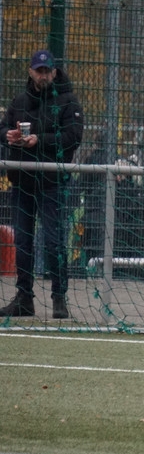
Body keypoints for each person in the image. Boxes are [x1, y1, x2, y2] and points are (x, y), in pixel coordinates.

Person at [0, 49, 84, 319]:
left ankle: (59, 298)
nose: (43, 75)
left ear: (54, 72)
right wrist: (10, 135)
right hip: (22, 182)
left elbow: (73, 137)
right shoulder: (19, 101)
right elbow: (2, 128)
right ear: (31, 72)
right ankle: (24, 297)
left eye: (47, 71)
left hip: (52, 183)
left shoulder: (68, 102)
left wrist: (39, 140)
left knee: (54, 242)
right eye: (39, 71)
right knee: (23, 242)